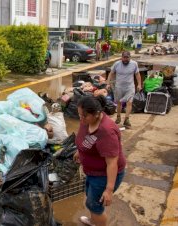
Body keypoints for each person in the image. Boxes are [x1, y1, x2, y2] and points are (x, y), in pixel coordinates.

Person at [74, 95, 126, 226]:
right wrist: (80, 151)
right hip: (92, 172)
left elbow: (112, 163)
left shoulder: (106, 132)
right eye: (79, 115)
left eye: (84, 116)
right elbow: (86, 138)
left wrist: (109, 190)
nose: (81, 119)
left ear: (97, 114)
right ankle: (94, 222)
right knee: (91, 200)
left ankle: (97, 220)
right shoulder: (87, 121)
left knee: (95, 206)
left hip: (104, 175)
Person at [106, 51, 142, 128]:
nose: (125, 59)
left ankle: (126, 119)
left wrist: (139, 84)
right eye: (124, 57)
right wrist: (108, 83)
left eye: (127, 57)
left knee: (129, 102)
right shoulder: (117, 64)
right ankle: (118, 117)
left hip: (130, 87)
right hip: (119, 87)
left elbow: (137, 74)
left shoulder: (134, 64)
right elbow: (111, 73)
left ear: (130, 57)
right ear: (121, 57)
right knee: (119, 103)